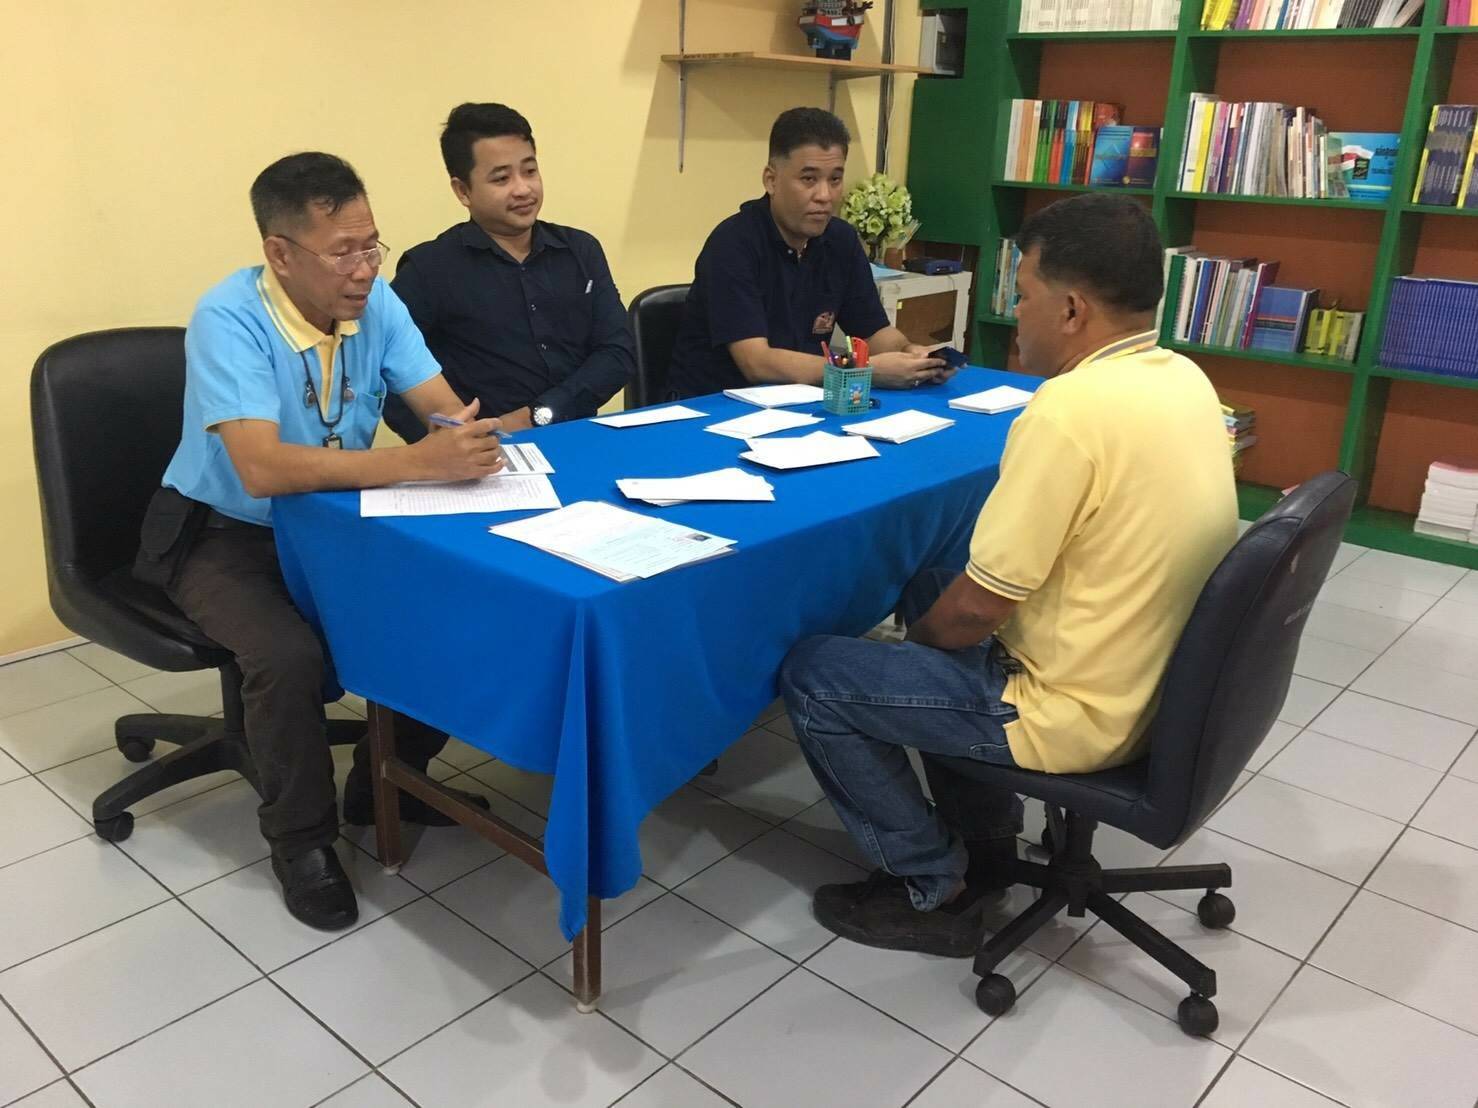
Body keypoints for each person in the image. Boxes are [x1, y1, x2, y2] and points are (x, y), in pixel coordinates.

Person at [777, 194, 1238, 957]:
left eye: (1023, 296)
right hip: (1156, 683)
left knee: (816, 674)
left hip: (1075, 713)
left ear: (1072, 310)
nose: (1016, 314)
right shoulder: (1185, 379)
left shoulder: (1068, 411)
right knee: (931, 580)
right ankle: (986, 837)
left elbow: (972, 615)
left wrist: (907, 660)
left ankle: (934, 885)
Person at [146, 152, 502, 931]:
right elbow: (263, 469)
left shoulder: (377, 301)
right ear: (280, 253)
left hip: (334, 518)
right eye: (343, 251)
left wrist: (471, 442)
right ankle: (302, 842)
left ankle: (383, 784)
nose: (365, 268)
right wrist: (418, 462)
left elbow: (441, 408)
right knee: (287, 657)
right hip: (223, 531)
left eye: (372, 244)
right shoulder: (228, 318)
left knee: (452, 603)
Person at [383, 102, 634, 441]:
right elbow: (389, 376)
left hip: (579, 436)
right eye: (501, 178)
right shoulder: (429, 269)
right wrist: (447, 442)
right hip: (487, 453)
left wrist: (539, 415)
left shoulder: (580, 250)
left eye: (529, 171)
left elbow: (617, 352)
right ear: (463, 191)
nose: (523, 189)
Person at [667, 107, 952, 400]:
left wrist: (911, 355)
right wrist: (862, 370)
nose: (824, 196)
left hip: (800, 401)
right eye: (808, 179)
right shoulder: (733, 243)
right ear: (771, 180)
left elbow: (873, 331)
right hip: (715, 406)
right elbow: (756, 362)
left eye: (835, 179)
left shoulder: (841, 240)